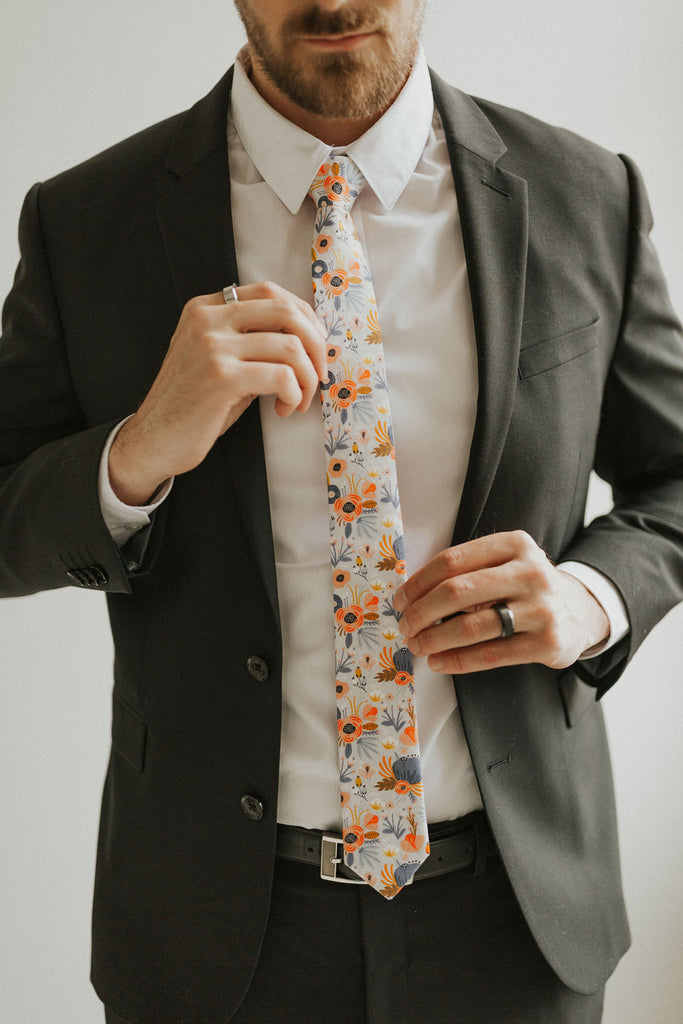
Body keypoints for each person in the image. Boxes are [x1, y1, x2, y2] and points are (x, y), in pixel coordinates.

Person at [1, 0, 682, 1021]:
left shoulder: (586, 194)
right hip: (213, 938)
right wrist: (137, 450)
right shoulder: (88, 220)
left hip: (515, 921)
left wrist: (587, 598)